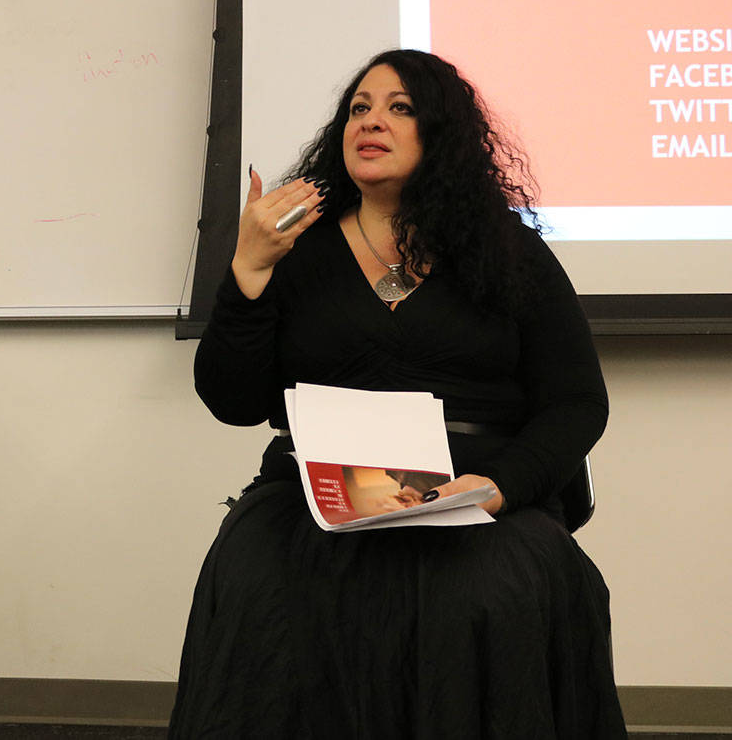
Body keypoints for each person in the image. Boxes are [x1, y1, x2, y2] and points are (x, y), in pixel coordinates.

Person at [169, 50, 626, 738]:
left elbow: (577, 402)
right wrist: (249, 267)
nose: (370, 121)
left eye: (399, 107)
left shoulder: (509, 251)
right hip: (313, 496)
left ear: (440, 132)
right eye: (359, 107)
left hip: (473, 492)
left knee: (489, 591)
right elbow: (232, 400)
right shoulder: (299, 248)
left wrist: (500, 485)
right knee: (260, 581)